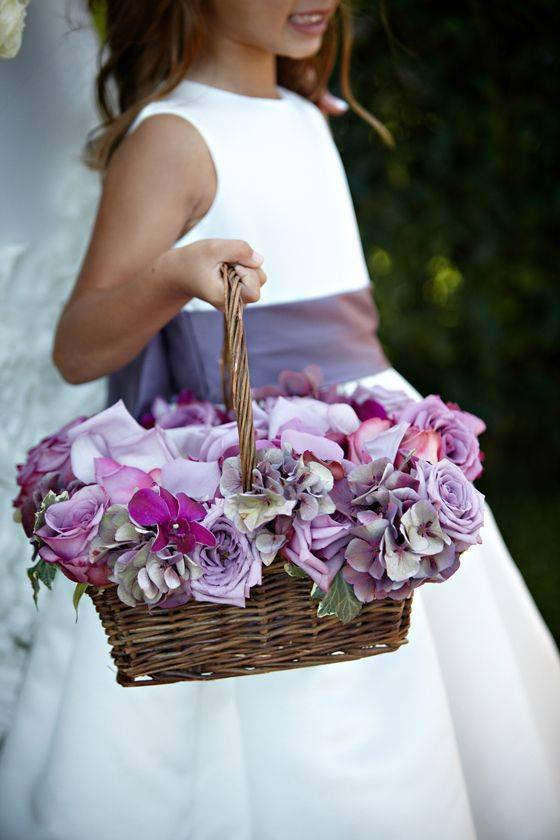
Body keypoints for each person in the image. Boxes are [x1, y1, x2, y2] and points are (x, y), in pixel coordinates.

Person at [1, 2, 559, 839]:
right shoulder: (173, 139)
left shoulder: (303, 113)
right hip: (261, 484)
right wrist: (171, 277)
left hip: (369, 463)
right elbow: (79, 349)